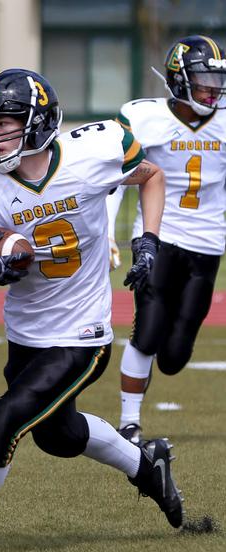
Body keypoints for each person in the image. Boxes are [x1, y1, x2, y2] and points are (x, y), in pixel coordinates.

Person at [0, 68, 180, 552]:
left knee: (4, 420)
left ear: (38, 122)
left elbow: (151, 177)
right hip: (25, 334)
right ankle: (148, 467)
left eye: (3, 123)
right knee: (59, 435)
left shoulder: (93, 153)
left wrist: (146, 241)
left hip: (82, 335)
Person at [106, 35, 226, 445]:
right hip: (158, 234)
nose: (213, 88)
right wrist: (107, 233)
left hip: (208, 241)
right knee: (149, 331)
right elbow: (116, 180)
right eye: (204, 79)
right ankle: (129, 421)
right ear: (178, 79)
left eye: (217, 79)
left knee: (174, 357)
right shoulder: (144, 117)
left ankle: (155, 366)